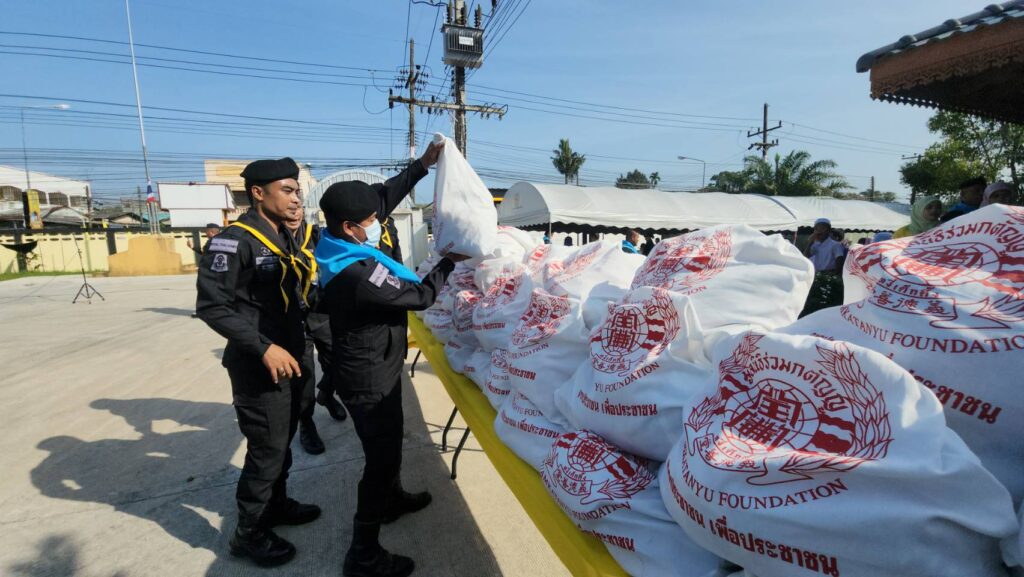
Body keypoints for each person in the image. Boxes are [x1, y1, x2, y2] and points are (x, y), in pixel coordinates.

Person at [317, 142, 454, 577]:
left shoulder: (338, 245)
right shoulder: (357, 273)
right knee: (379, 461)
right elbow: (421, 296)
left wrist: (421, 166)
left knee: (389, 447)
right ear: (349, 226)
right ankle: (363, 554)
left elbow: (383, 196)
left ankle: (392, 499)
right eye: (371, 221)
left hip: (377, 364)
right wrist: (449, 262)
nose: (377, 224)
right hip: (367, 377)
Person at [195, 157, 320, 567]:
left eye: (297, 190)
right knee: (266, 449)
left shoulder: (284, 236)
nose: (296, 198)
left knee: (283, 439)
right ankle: (248, 534)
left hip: (292, 355)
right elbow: (213, 307)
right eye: (288, 190)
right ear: (258, 193)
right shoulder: (234, 241)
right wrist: (264, 347)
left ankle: (276, 505)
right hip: (258, 363)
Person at [282, 208, 335, 455]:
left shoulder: (317, 235)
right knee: (304, 377)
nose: (294, 210)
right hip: (292, 320)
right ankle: (307, 422)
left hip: (321, 313)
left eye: (298, 204)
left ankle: (327, 394)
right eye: (288, 204)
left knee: (339, 363)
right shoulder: (271, 239)